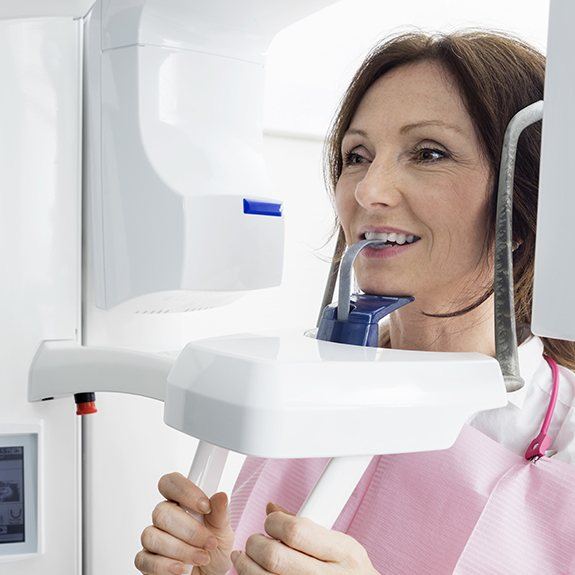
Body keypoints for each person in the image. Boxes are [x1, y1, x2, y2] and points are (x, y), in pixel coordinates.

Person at [134, 31, 575, 575]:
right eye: (357, 156)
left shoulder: (567, 440)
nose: (368, 190)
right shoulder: (305, 392)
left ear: (526, 196)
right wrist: (215, 569)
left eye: (429, 153)